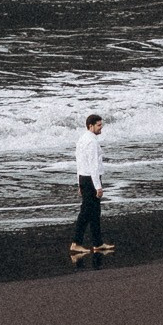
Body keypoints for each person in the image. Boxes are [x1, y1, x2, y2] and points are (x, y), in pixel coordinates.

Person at [71, 112, 108, 264]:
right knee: (86, 212)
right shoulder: (91, 142)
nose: (101, 128)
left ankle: (98, 243)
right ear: (90, 126)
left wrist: (79, 183)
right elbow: (93, 165)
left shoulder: (82, 139)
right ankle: (76, 243)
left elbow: (79, 163)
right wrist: (98, 187)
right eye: (99, 125)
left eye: (101, 125)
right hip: (91, 179)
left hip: (84, 178)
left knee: (95, 213)